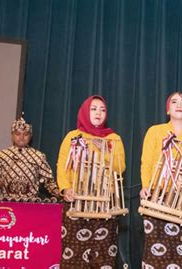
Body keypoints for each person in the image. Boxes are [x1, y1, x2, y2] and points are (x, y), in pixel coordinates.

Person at [56, 95, 125, 268]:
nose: (98, 113)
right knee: (74, 250)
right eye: (94, 109)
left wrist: (106, 152)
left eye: (102, 110)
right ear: (85, 112)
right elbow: (63, 165)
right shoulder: (73, 136)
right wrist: (65, 188)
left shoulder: (113, 138)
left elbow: (120, 167)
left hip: (104, 201)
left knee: (103, 251)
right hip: (77, 199)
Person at [139, 91, 182, 268]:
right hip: (156, 195)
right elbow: (146, 162)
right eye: (174, 102)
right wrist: (146, 186)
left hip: (181, 198)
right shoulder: (155, 131)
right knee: (155, 246)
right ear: (168, 109)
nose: (178, 105)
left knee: (181, 248)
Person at [0, 117, 59, 199]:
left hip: (30, 203)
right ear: (12, 135)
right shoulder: (1, 156)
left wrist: (57, 192)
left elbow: (48, 180)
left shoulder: (38, 156)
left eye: (25, 134)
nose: (21, 137)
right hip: (5, 201)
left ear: (30, 136)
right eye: (17, 134)